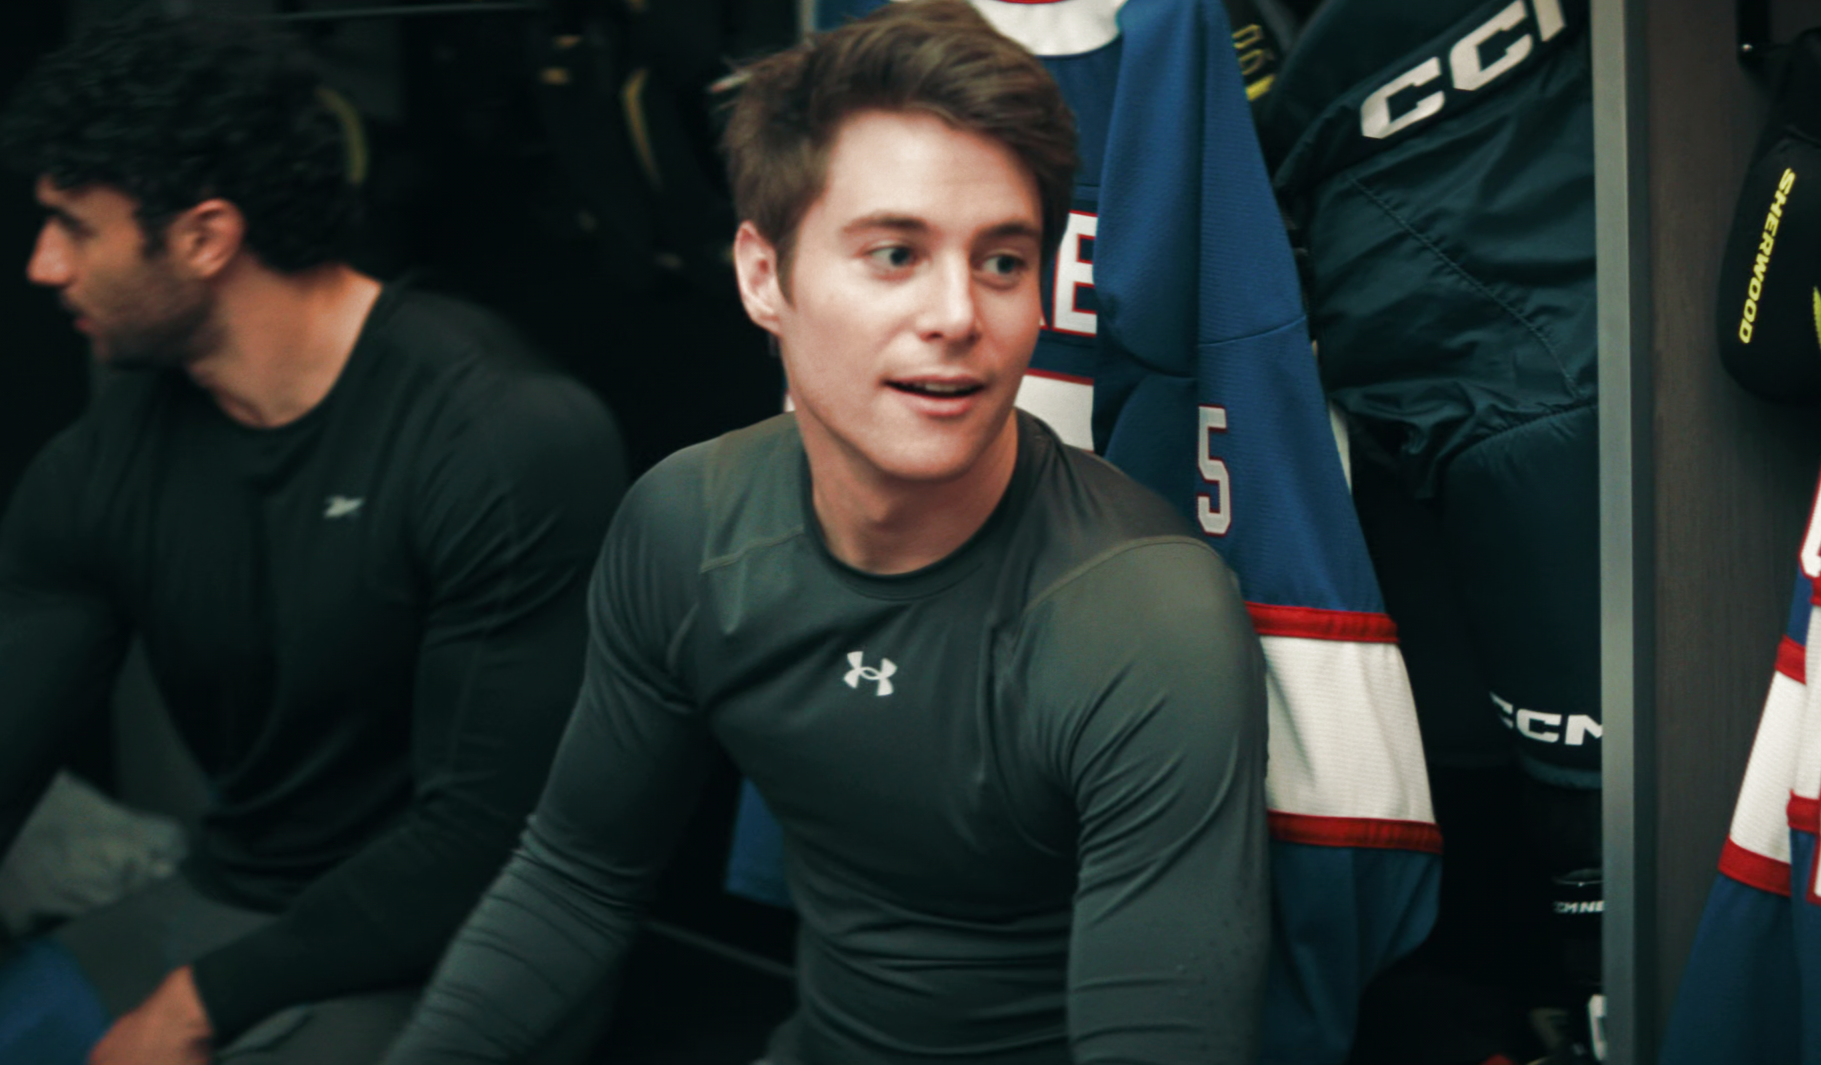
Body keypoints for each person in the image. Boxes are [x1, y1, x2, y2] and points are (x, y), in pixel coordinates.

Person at [0, 13, 628, 1065]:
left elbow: (487, 839)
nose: (41, 264)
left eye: (73, 226)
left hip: (491, 937)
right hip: (235, 900)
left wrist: (201, 1002)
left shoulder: (502, 435)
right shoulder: (103, 466)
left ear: (204, 237)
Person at [383, 3, 1272, 1063]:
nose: (959, 315)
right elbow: (576, 880)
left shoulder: (1140, 616)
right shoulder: (688, 524)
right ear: (764, 276)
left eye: (1002, 261)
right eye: (895, 253)